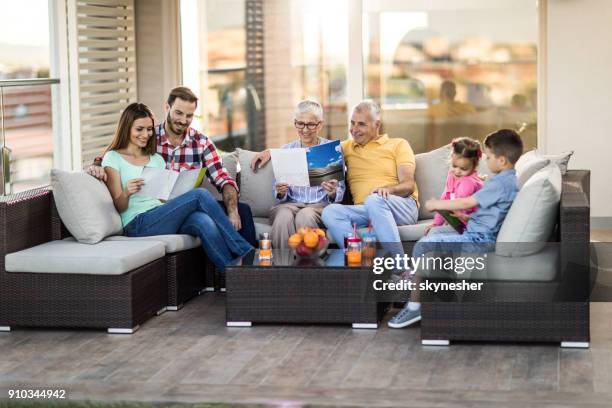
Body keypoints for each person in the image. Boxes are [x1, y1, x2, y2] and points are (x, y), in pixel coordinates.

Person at [388, 129, 523, 328]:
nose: (487, 159)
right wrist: (466, 217)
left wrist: (436, 205)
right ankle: (425, 292)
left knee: (423, 245)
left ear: (502, 160)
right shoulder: (507, 180)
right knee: (428, 242)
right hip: (476, 234)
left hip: (477, 241)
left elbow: (467, 200)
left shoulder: (501, 183)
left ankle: (414, 306)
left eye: (490, 156)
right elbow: (491, 213)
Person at [88, 86, 256, 246]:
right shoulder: (148, 136)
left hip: (186, 204)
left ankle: (246, 269)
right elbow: (118, 154)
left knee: (243, 210)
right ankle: (245, 256)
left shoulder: (201, 142)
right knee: (201, 199)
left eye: (189, 116)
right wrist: (97, 165)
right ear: (167, 107)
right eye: (178, 113)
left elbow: (222, 177)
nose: (183, 120)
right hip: (163, 208)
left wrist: (232, 209)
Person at [250, 99, 419, 254]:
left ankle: (400, 268)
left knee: (373, 200)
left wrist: (387, 190)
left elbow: (408, 185)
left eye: (361, 124)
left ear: (377, 125)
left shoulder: (398, 144)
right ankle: (357, 260)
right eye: (352, 123)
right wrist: (270, 152)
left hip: (398, 204)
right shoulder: (344, 147)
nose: (354, 129)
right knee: (331, 212)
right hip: (363, 209)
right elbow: (308, 147)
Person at [269, 100, 345, 249]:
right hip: (290, 204)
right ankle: (282, 266)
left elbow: (340, 191)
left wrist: (333, 192)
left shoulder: (332, 150)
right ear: (295, 123)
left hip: (319, 206)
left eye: (311, 124)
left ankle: (309, 267)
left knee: (305, 214)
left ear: (320, 125)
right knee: (283, 216)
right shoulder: (286, 150)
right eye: (300, 124)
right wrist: (280, 192)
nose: (305, 129)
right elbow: (277, 193)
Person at [424, 137, 484, 236]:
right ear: (451, 158)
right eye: (454, 166)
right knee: (434, 231)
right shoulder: (452, 176)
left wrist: (438, 206)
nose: (457, 171)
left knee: (434, 233)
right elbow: (444, 199)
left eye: (463, 169)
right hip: (459, 224)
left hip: (472, 227)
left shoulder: (468, 182)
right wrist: (436, 223)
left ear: (474, 166)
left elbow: (459, 204)